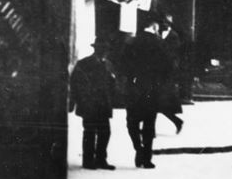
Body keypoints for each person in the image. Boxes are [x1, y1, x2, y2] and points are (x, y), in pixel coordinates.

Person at [120, 12, 171, 169]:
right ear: (154, 26)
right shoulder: (160, 43)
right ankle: (147, 157)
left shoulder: (132, 42)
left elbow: (122, 64)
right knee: (149, 124)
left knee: (132, 123)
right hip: (153, 90)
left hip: (134, 88)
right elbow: (169, 67)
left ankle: (138, 149)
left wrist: (129, 80)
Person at [69, 37, 117, 170]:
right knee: (89, 132)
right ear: (95, 49)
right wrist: (74, 102)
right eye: (102, 49)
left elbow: (112, 84)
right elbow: (75, 83)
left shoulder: (108, 65)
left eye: (106, 50)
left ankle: (101, 159)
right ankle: (88, 160)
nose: (104, 52)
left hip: (103, 104)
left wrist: (112, 98)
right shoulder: (83, 64)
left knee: (105, 132)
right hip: (89, 103)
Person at [159, 15, 184, 134]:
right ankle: (176, 121)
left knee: (160, 102)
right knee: (155, 102)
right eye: (163, 22)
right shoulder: (158, 34)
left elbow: (174, 54)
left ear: (170, 24)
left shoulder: (174, 36)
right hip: (159, 72)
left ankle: (177, 121)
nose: (164, 24)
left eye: (167, 22)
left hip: (167, 73)